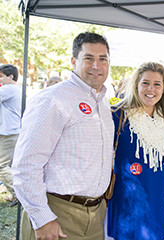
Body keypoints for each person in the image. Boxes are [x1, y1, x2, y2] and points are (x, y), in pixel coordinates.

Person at [12, 32, 114, 240]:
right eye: (89, 58)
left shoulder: (103, 102)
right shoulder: (52, 99)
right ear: (73, 61)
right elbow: (26, 164)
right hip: (57, 213)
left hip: (95, 214)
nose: (97, 65)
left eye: (102, 59)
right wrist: (43, 218)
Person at [107, 62, 164, 240]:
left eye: (157, 84)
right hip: (127, 198)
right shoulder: (118, 114)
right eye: (145, 83)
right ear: (136, 85)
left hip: (156, 195)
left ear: (163, 89)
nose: (151, 89)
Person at [0, 64, 21, 207]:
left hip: (8, 132)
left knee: (1, 166)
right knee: (13, 166)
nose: (0, 80)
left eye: (1, 76)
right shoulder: (18, 88)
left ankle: (19, 194)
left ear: (10, 76)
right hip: (15, 130)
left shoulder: (8, 89)